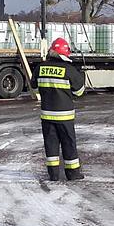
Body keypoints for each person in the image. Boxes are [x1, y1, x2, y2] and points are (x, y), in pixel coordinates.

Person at [31, 37, 86, 181]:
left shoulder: (40, 68)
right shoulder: (69, 70)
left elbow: (34, 87)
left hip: (47, 116)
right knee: (68, 144)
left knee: (51, 145)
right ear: (64, 53)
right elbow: (79, 92)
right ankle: (73, 174)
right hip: (65, 117)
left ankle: (53, 174)